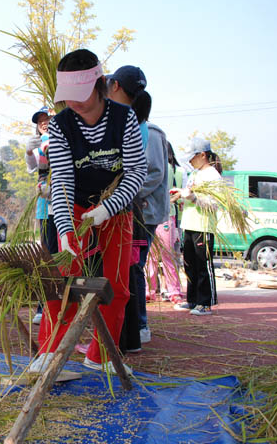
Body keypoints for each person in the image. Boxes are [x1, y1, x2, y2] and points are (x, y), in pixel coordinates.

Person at [30, 49, 146, 375]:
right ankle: (50, 354)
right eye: (68, 98)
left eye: (81, 96)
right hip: (75, 206)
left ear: (100, 85)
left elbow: (136, 172)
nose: (75, 104)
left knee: (117, 286)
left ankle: (101, 356)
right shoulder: (63, 125)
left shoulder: (125, 120)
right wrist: (66, 230)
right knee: (63, 282)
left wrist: (107, 209)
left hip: (116, 209)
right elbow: (63, 180)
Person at [106, 67, 169, 350]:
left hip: (142, 211)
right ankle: (126, 330)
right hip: (128, 207)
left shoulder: (149, 132)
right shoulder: (122, 123)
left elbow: (151, 172)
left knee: (133, 269)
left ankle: (138, 325)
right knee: (128, 269)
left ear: (115, 86)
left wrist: (123, 194)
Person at [170, 137, 222, 316]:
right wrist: (181, 195)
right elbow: (190, 193)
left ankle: (206, 302)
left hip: (204, 226)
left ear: (202, 155)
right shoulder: (195, 174)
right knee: (189, 264)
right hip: (189, 224)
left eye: (192, 157)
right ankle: (192, 300)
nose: (190, 161)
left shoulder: (212, 175)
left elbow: (214, 203)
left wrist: (192, 197)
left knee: (203, 265)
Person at [24, 106, 57, 325]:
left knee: (59, 255)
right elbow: (32, 166)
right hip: (45, 207)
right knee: (45, 254)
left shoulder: (63, 141)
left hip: (64, 205)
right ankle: (42, 305)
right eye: (40, 121)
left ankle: (58, 305)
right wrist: (28, 152)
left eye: (47, 119)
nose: (43, 123)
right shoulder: (39, 144)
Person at [148, 141, 185, 304]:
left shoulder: (159, 169)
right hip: (169, 217)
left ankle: (149, 290)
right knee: (169, 257)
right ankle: (173, 291)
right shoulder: (178, 171)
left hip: (153, 216)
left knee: (152, 257)